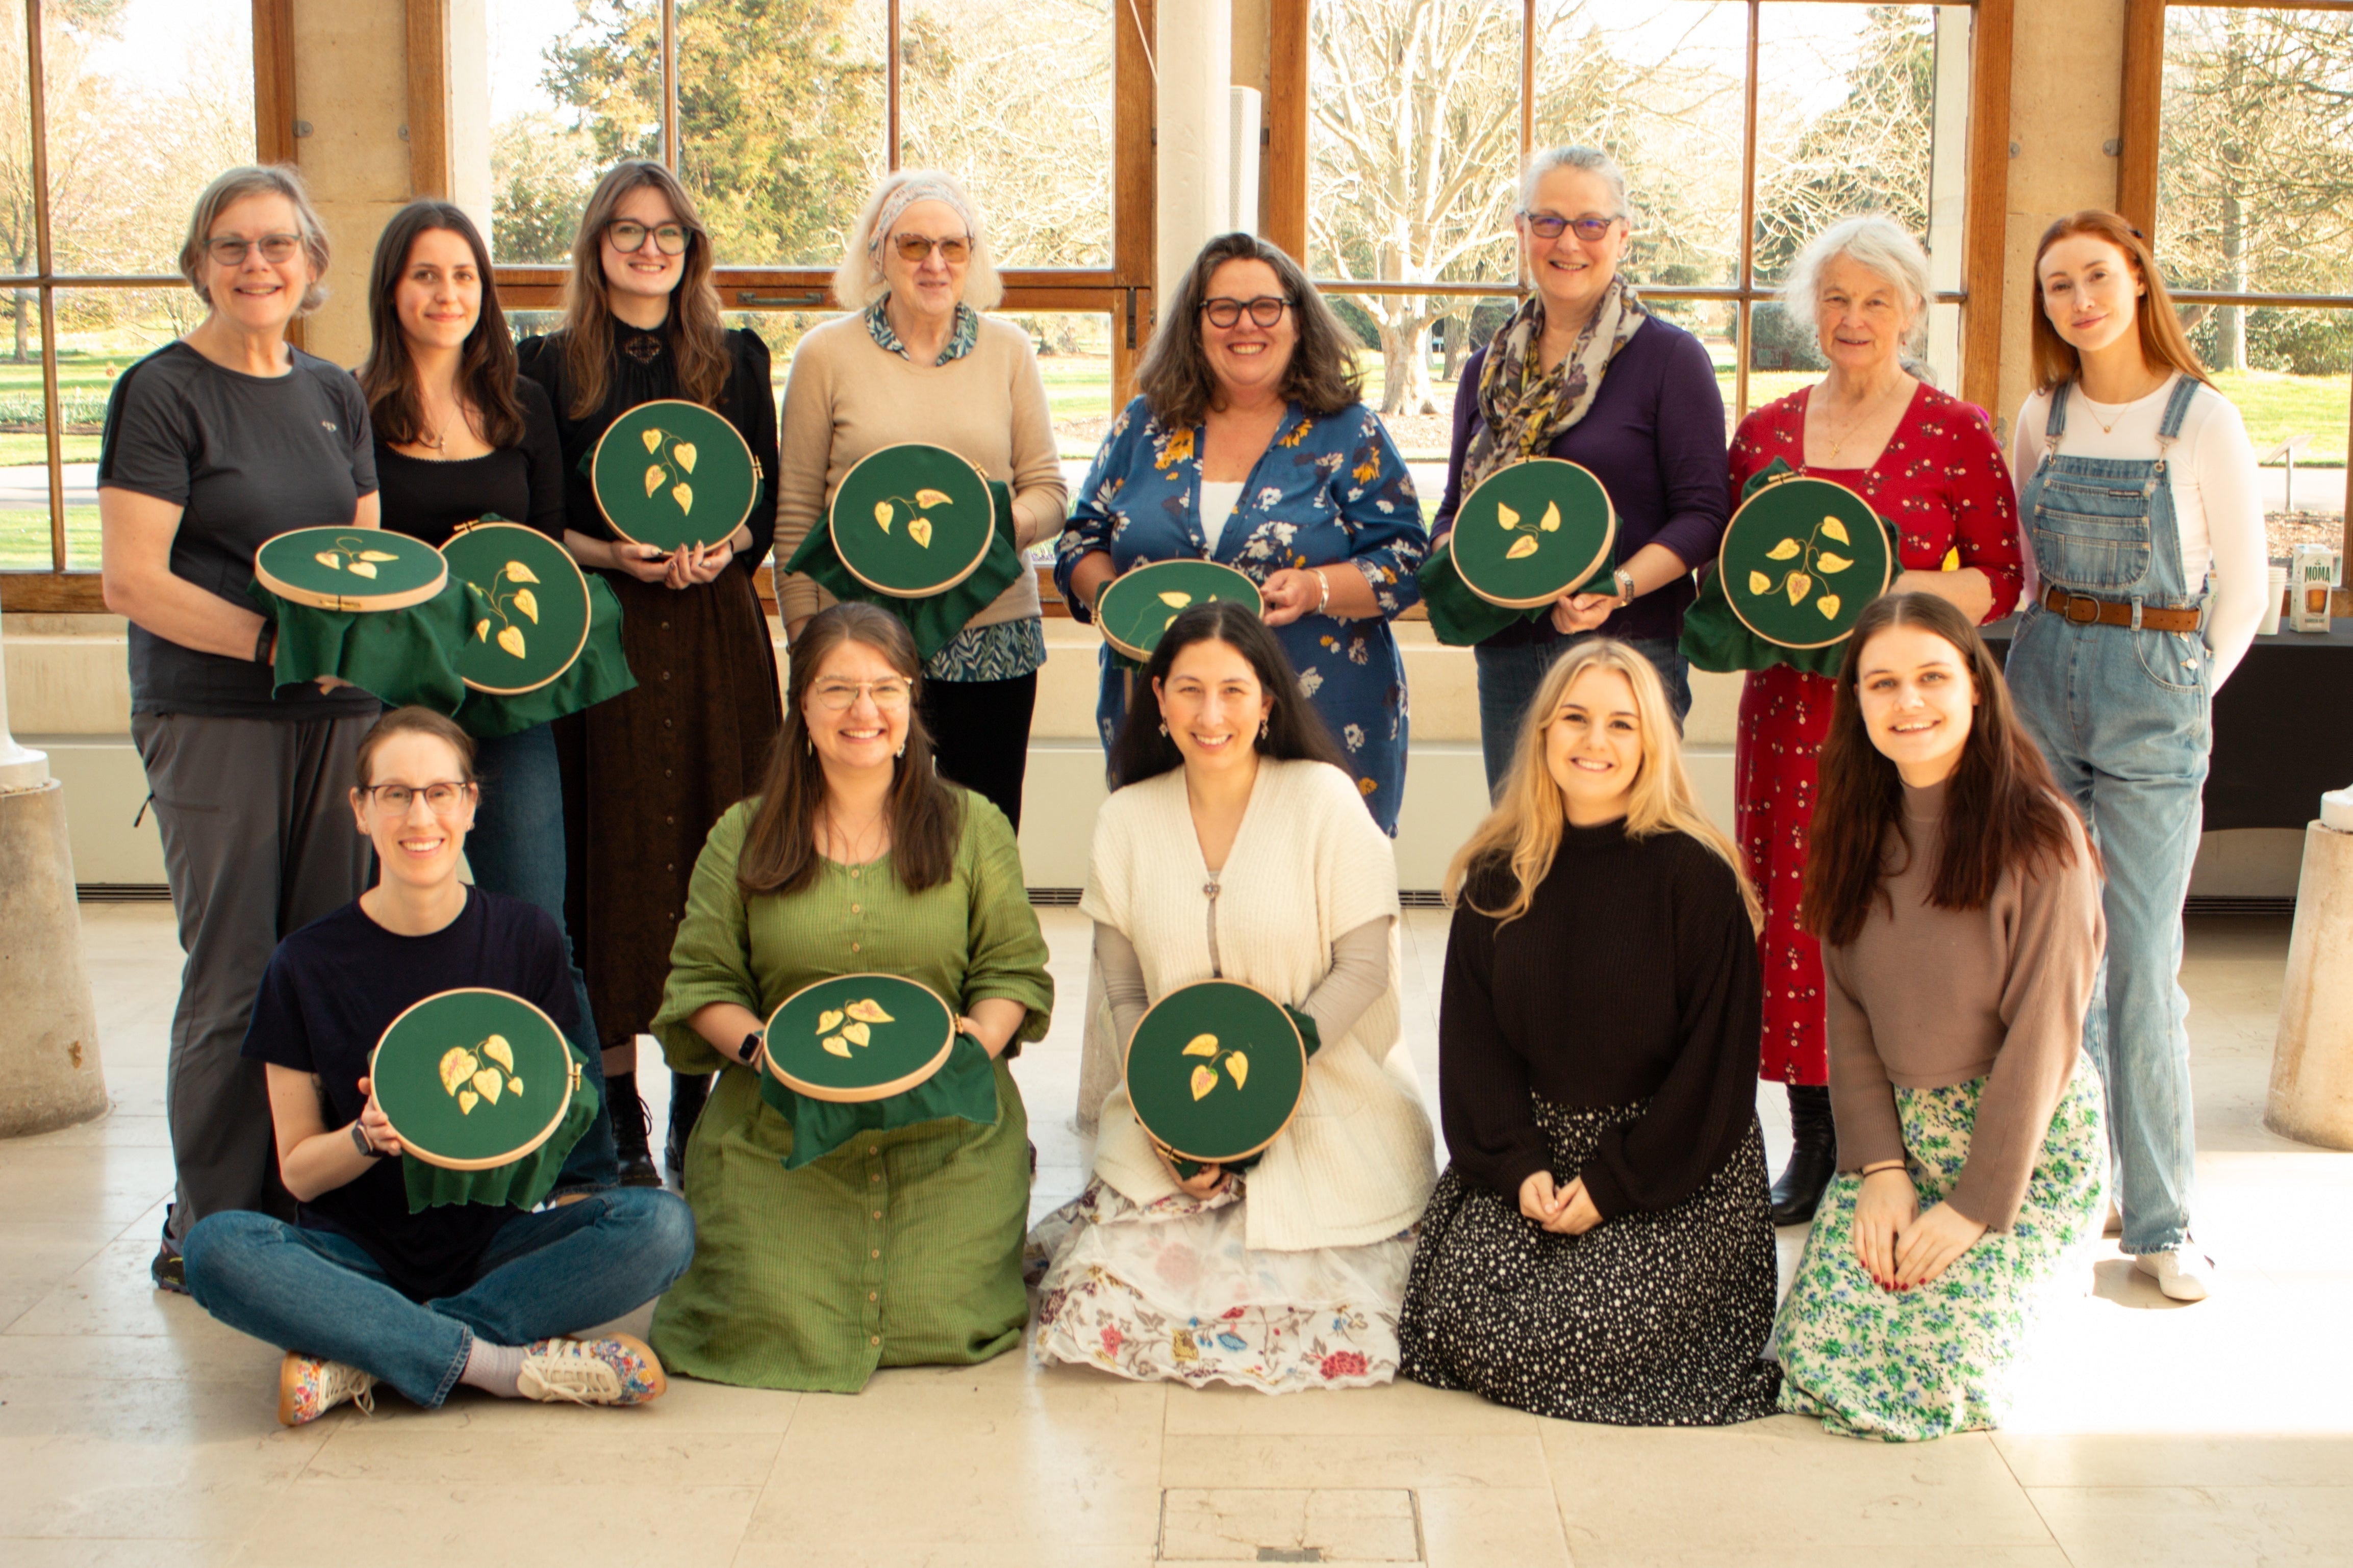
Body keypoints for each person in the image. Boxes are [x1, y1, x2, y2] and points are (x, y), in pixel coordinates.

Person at [178, 707, 696, 1425]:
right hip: (351, 1254)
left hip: (497, 1247)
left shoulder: (526, 938)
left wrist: (555, 1110)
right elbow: (297, 1170)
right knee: (215, 1248)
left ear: (471, 804)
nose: (419, 815)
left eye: (439, 791)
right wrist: (364, 1137)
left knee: (663, 1226)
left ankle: (367, 1346)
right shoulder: (304, 963)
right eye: (394, 793)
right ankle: (500, 1363)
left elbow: (550, 1148)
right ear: (360, 810)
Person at [1030, 602, 1437, 1394]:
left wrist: (1258, 1091)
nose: (1209, 715)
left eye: (1232, 690)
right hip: (1172, 1117)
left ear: (1267, 701)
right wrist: (1170, 1116)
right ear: (1157, 698)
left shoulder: (1323, 799)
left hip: (1322, 1101)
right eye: (1188, 690)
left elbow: (1362, 967)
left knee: (1356, 1303)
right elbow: (1124, 989)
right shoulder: (1125, 819)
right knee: (1097, 1309)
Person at [97, 165, 382, 1292]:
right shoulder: (163, 392)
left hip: (337, 714)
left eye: (277, 246)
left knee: (319, 962)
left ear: (311, 266)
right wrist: (277, 647)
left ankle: (298, 1204)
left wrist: (357, 663)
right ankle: (210, 1223)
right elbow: (131, 579)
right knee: (231, 975)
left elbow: (366, 560)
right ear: (199, 263)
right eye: (231, 246)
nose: (256, 265)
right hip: (213, 711)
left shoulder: (334, 392)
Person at [647, 603, 1054, 1391]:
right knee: (758, 1308)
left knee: (945, 1311)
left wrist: (968, 1049)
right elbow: (702, 984)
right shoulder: (743, 832)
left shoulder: (975, 826)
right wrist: (769, 1055)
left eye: (884, 688)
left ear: (911, 705)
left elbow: (1013, 972)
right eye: (837, 689)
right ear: (801, 706)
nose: (862, 711)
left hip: (947, 1126)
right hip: (780, 1124)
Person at [1397, 639, 1782, 1424]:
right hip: (1535, 1151)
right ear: (1541, 732)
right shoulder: (1499, 874)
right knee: (1459, 1305)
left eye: (1621, 723)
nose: (1594, 741)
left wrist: (1613, 1185)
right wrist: (1517, 1167)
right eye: (1574, 718)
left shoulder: (1697, 877)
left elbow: (1713, 1075)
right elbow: (1475, 1051)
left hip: (1673, 1161)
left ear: (1652, 743)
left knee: (1587, 1325)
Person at [1726, 215, 2023, 1226]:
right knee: (1799, 917)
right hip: (1787, 716)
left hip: (1902, 721)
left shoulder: (1954, 429)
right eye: (1835, 298)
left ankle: (1900, 1140)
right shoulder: (1763, 433)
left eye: (1875, 300)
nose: (1852, 319)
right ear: (1811, 309)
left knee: (1895, 912)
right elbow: (1730, 574)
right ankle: (1813, 1139)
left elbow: (2002, 574)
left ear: (1911, 310)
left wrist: (1899, 601)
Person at [2005, 211, 2265, 1302]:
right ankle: (2078, 1184)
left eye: (2096, 277)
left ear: (2136, 283)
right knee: (2052, 949)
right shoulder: (2040, 416)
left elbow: (2240, 594)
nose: (2079, 300)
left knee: (2142, 963)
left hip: (2155, 684)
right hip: (2042, 675)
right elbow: (2023, 570)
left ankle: (2163, 1218)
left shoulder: (2199, 418)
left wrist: (2176, 699)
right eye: (2058, 284)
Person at [1774, 595, 2107, 1440]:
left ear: (1975, 689)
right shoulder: (1851, 828)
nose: (1907, 703)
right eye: (1880, 684)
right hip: (1900, 1140)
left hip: (2020, 1154)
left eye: (1930, 677)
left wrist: (1971, 1206)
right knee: (1814, 1348)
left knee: (1945, 1370)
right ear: (1855, 701)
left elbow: (2041, 1041)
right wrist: (1878, 1170)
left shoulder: (2043, 838)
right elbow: (1845, 1018)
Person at [517, 161, 783, 1187]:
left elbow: (761, 506)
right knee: (611, 863)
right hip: (605, 633)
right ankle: (620, 1117)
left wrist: (729, 550)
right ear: (596, 245)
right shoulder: (545, 366)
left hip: (715, 635)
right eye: (626, 231)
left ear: (689, 247)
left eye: (666, 231)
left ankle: (696, 1109)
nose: (647, 248)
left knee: (722, 850)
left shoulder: (736, 358)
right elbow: (541, 520)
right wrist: (609, 556)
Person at [358, 198, 615, 1192]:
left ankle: (585, 1158)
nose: (447, 293)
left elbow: (547, 549)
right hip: (400, 708)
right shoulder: (357, 409)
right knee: (407, 918)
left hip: (511, 709)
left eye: (463, 275)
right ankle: (413, 1144)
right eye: (426, 274)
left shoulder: (520, 404)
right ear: (393, 289)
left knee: (535, 925)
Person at [1056, 232, 1425, 832]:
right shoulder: (1143, 426)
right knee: (1170, 886)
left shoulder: (1348, 431)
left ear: (1298, 321)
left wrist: (1316, 589)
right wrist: (1118, 604)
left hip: (1319, 708)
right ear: (1195, 326)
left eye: (1265, 307)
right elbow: (1080, 541)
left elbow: (1406, 560)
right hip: (1169, 714)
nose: (1243, 325)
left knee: (1319, 894)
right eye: (1221, 309)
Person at [771, 169, 1067, 830]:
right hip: (858, 640)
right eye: (913, 245)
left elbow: (1048, 492)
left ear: (972, 255)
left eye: (952, 246)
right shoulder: (824, 355)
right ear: (878, 252)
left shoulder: (1009, 351)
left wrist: (990, 528)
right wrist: (805, 645)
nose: (935, 263)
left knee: (982, 833)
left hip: (992, 635)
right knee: (858, 828)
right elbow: (794, 518)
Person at [1429, 146, 1731, 790]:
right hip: (1509, 654)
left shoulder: (1670, 361)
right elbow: (1456, 506)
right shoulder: (1485, 369)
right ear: (1521, 231)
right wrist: (1456, 554)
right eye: (1548, 222)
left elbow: (1704, 516)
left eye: (1590, 224)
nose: (1569, 242)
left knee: (1625, 857)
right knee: (1519, 856)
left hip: (1629, 651)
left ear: (1622, 236)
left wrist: (1614, 587)